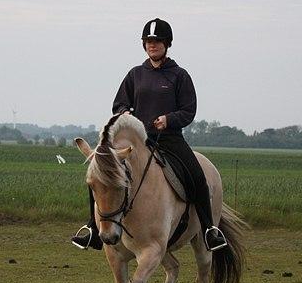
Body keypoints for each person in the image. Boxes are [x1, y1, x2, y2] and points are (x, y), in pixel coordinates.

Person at [72, 18, 227, 252]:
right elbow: (120, 103)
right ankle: (93, 228)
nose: (152, 45)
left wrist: (168, 120)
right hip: (139, 143)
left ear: (167, 44)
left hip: (170, 139)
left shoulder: (179, 75)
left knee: (197, 176)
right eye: (148, 41)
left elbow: (189, 110)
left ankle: (209, 230)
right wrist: (124, 112)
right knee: (99, 171)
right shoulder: (135, 74)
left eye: (157, 41)